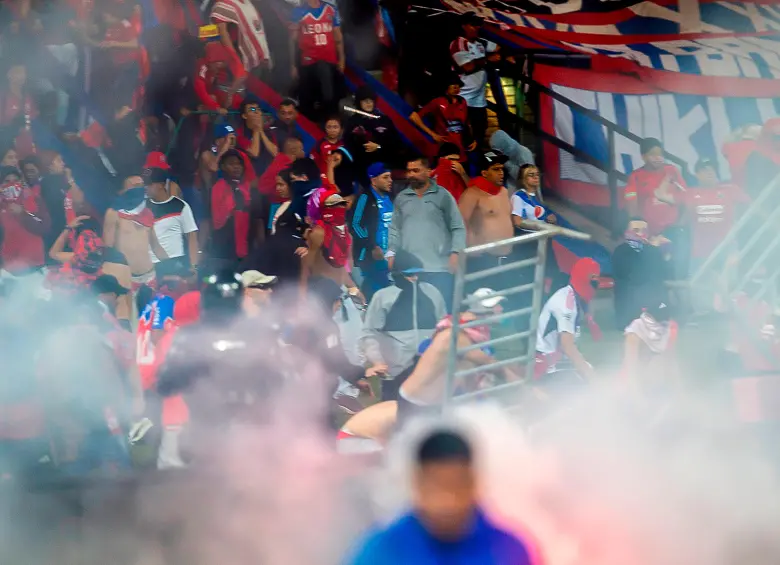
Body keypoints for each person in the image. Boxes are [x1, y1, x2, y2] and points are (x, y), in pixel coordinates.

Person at [348, 429, 534, 564]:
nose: (448, 500)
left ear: (474, 482)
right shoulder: (381, 553)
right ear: (417, 483)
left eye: (457, 485)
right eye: (437, 486)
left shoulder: (510, 550)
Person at [397, 288, 515, 421]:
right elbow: (492, 365)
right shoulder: (457, 335)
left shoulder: (475, 334)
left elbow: (470, 378)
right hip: (417, 404)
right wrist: (524, 387)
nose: (501, 309)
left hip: (435, 404)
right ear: (481, 309)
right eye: (496, 305)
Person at [362, 250, 447, 401]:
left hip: (428, 367)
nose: (415, 278)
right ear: (397, 274)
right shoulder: (383, 297)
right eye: (409, 274)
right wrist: (377, 361)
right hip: (395, 371)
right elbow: (370, 332)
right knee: (394, 409)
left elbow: (444, 327)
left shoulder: (433, 293)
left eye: (417, 273)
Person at [388, 156, 466, 311]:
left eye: (416, 170)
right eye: (409, 171)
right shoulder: (401, 198)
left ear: (429, 171)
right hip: (411, 269)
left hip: (439, 267)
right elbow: (395, 228)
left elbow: (458, 227)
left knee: (442, 313)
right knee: (416, 314)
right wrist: (391, 252)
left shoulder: (443, 195)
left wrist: (456, 253)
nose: (411, 174)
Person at [535, 257, 601, 381]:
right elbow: (567, 346)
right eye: (592, 277)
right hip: (547, 364)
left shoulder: (576, 297)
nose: (596, 282)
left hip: (559, 360)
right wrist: (592, 378)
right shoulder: (566, 302)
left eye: (597, 277)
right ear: (582, 276)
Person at [459, 151, 513, 293]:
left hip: (507, 257)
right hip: (482, 259)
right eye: (496, 169)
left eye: (502, 169)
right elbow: (458, 225)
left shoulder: (504, 192)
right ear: (484, 173)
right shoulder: (471, 195)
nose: (501, 173)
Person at [686, 157, 748, 270]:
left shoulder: (730, 190)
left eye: (712, 169)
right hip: (701, 251)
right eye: (705, 170)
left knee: (729, 279)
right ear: (697, 174)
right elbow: (684, 219)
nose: (710, 172)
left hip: (727, 248)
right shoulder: (691, 194)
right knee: (702, 280)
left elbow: (752, 206)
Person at [449, 13, 500, 149]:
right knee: (464, 137)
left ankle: (478, 159)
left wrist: (505, 56)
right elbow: (468, 67)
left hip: (479, 100)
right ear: (463, 26)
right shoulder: (458, 43)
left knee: (480, 133)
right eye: (473, 24)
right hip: (463, 98)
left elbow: (498, 48)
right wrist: (488, 59)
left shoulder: (481, 42)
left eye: (478, 24)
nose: (477, 27)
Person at [289, 0, 346, 123]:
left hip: (329, 60)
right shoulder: (298, 11)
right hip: (308, 62)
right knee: (308, 98)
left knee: (329, 97)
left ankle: (331, 125)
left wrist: (342, 59)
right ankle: (311, 127)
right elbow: (292, 40)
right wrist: (293, 64)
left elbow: (338, 37)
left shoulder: (331, 9)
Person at [612, 217, 672, 331]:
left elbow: (665, 273)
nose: (640, 234)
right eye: (636, 230)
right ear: (627, 233)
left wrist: (666, 255)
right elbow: (634, 275)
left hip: (652, 304)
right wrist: (650, 249)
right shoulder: (621, 251)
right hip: (630, 307)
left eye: (644, 231)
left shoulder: (653, 250)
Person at [0, 165, 50, 296]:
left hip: (35, 267)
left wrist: (22, 213)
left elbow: (44, 226)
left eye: (15, 180)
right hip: (8, 271)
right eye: (7, 181)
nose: (11, 184)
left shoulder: (33, 199)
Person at [300, 190, 360, 296]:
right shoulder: (318, 233)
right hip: (320, 291)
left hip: (339, 291)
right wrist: (302, 297)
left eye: (341, 206)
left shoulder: (347, 236)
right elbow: (306, 268)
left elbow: (341, 269)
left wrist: (354, 289)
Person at [210, 149, 261, 266]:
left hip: (248, 246)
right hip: (225, 247)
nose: (236, 167)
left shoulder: (248, 188)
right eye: (231, 164)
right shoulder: (218, 187)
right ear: (223, 166)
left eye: (239, 164)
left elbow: (258, 219)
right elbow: (215, 220)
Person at [351, 162, 394, 300]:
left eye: (390, 177)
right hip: (371, 258)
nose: (390, 180)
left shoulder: (391, 197)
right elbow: (355, 224)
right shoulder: (364, 198)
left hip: (391, 256)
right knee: (375, 296)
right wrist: (372, 246)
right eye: (385, 177)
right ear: (374, 180)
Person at [409, 73, 474, 161]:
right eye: (453, 84)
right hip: (445, 146)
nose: (456, 87)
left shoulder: (462, 101)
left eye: (458, 84)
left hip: (461, 146)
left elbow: (466, 123)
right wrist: (432, 134)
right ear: (446, 86)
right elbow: (413, 116)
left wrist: (472, 139)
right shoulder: (438, 102)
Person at [146, 169, 200, 272]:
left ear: (161, 185)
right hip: (150, 266)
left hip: (176, 264)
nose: (146, 187)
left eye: (149, 184)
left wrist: (194, 266)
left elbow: (192, 237)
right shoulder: (143, 207)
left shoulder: (180, 206)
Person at [344, 86, 402, 175]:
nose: (369, 103)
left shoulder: (384, 119)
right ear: (359, 102)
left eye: (371, 100)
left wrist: (378, 146)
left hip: (384, 166)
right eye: (365, 100)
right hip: (362, 168)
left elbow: (396, 142)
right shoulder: (352, 122)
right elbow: (348, 144)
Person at [210, 0, 271, 75]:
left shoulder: (248, 3)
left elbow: (258, 29)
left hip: (258, 60)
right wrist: (234, 59)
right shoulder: (224, 4)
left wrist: (266, 55)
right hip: (243, 61)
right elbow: (221, 32)